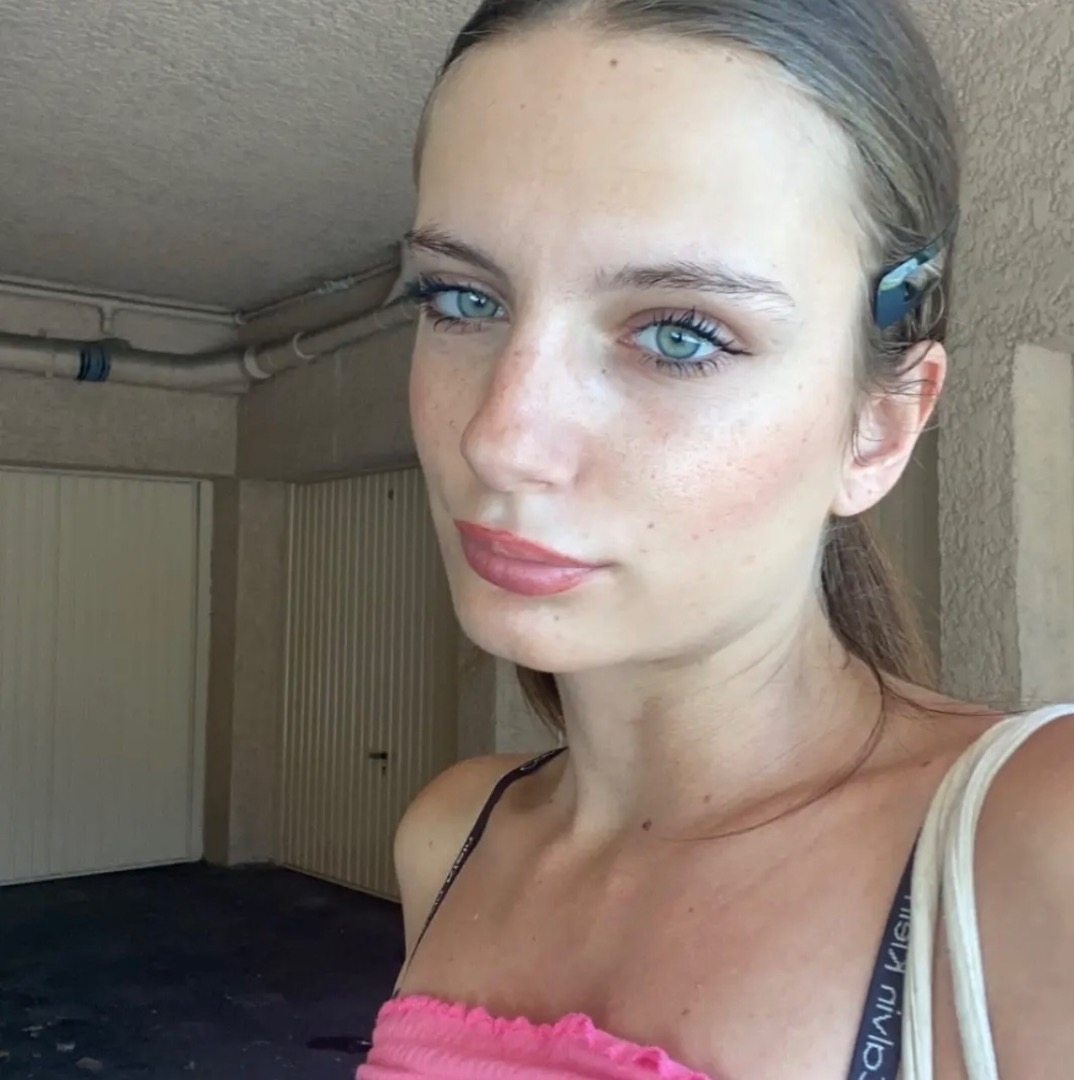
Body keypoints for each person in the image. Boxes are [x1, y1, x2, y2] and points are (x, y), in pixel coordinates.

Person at [358, 1, 1074, 1077]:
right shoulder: (452, 837)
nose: (498, 440)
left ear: (881, 426)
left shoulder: (1031, 850)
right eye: (462, 298)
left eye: (682, 334)